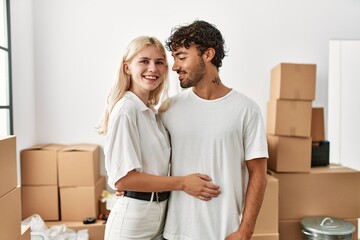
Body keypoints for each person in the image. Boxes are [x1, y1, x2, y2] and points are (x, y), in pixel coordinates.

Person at [97, 36, 221, 240]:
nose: (153, 69)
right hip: (134, 219)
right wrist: (182, 183)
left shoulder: (153, 113)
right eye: (144, 61)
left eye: (159, 62)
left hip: (159, 214)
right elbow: (123, 179)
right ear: (127, 68)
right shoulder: (126, 110)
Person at [159, 20, 268, 240]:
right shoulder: (168, 109)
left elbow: (258, 173)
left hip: (225, 233)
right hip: (177, 232)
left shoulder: (246, 109)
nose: (174, 67)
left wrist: (245, 231)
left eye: (181, 57)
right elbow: (152, 159)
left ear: (208, 54)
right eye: (174, 58)